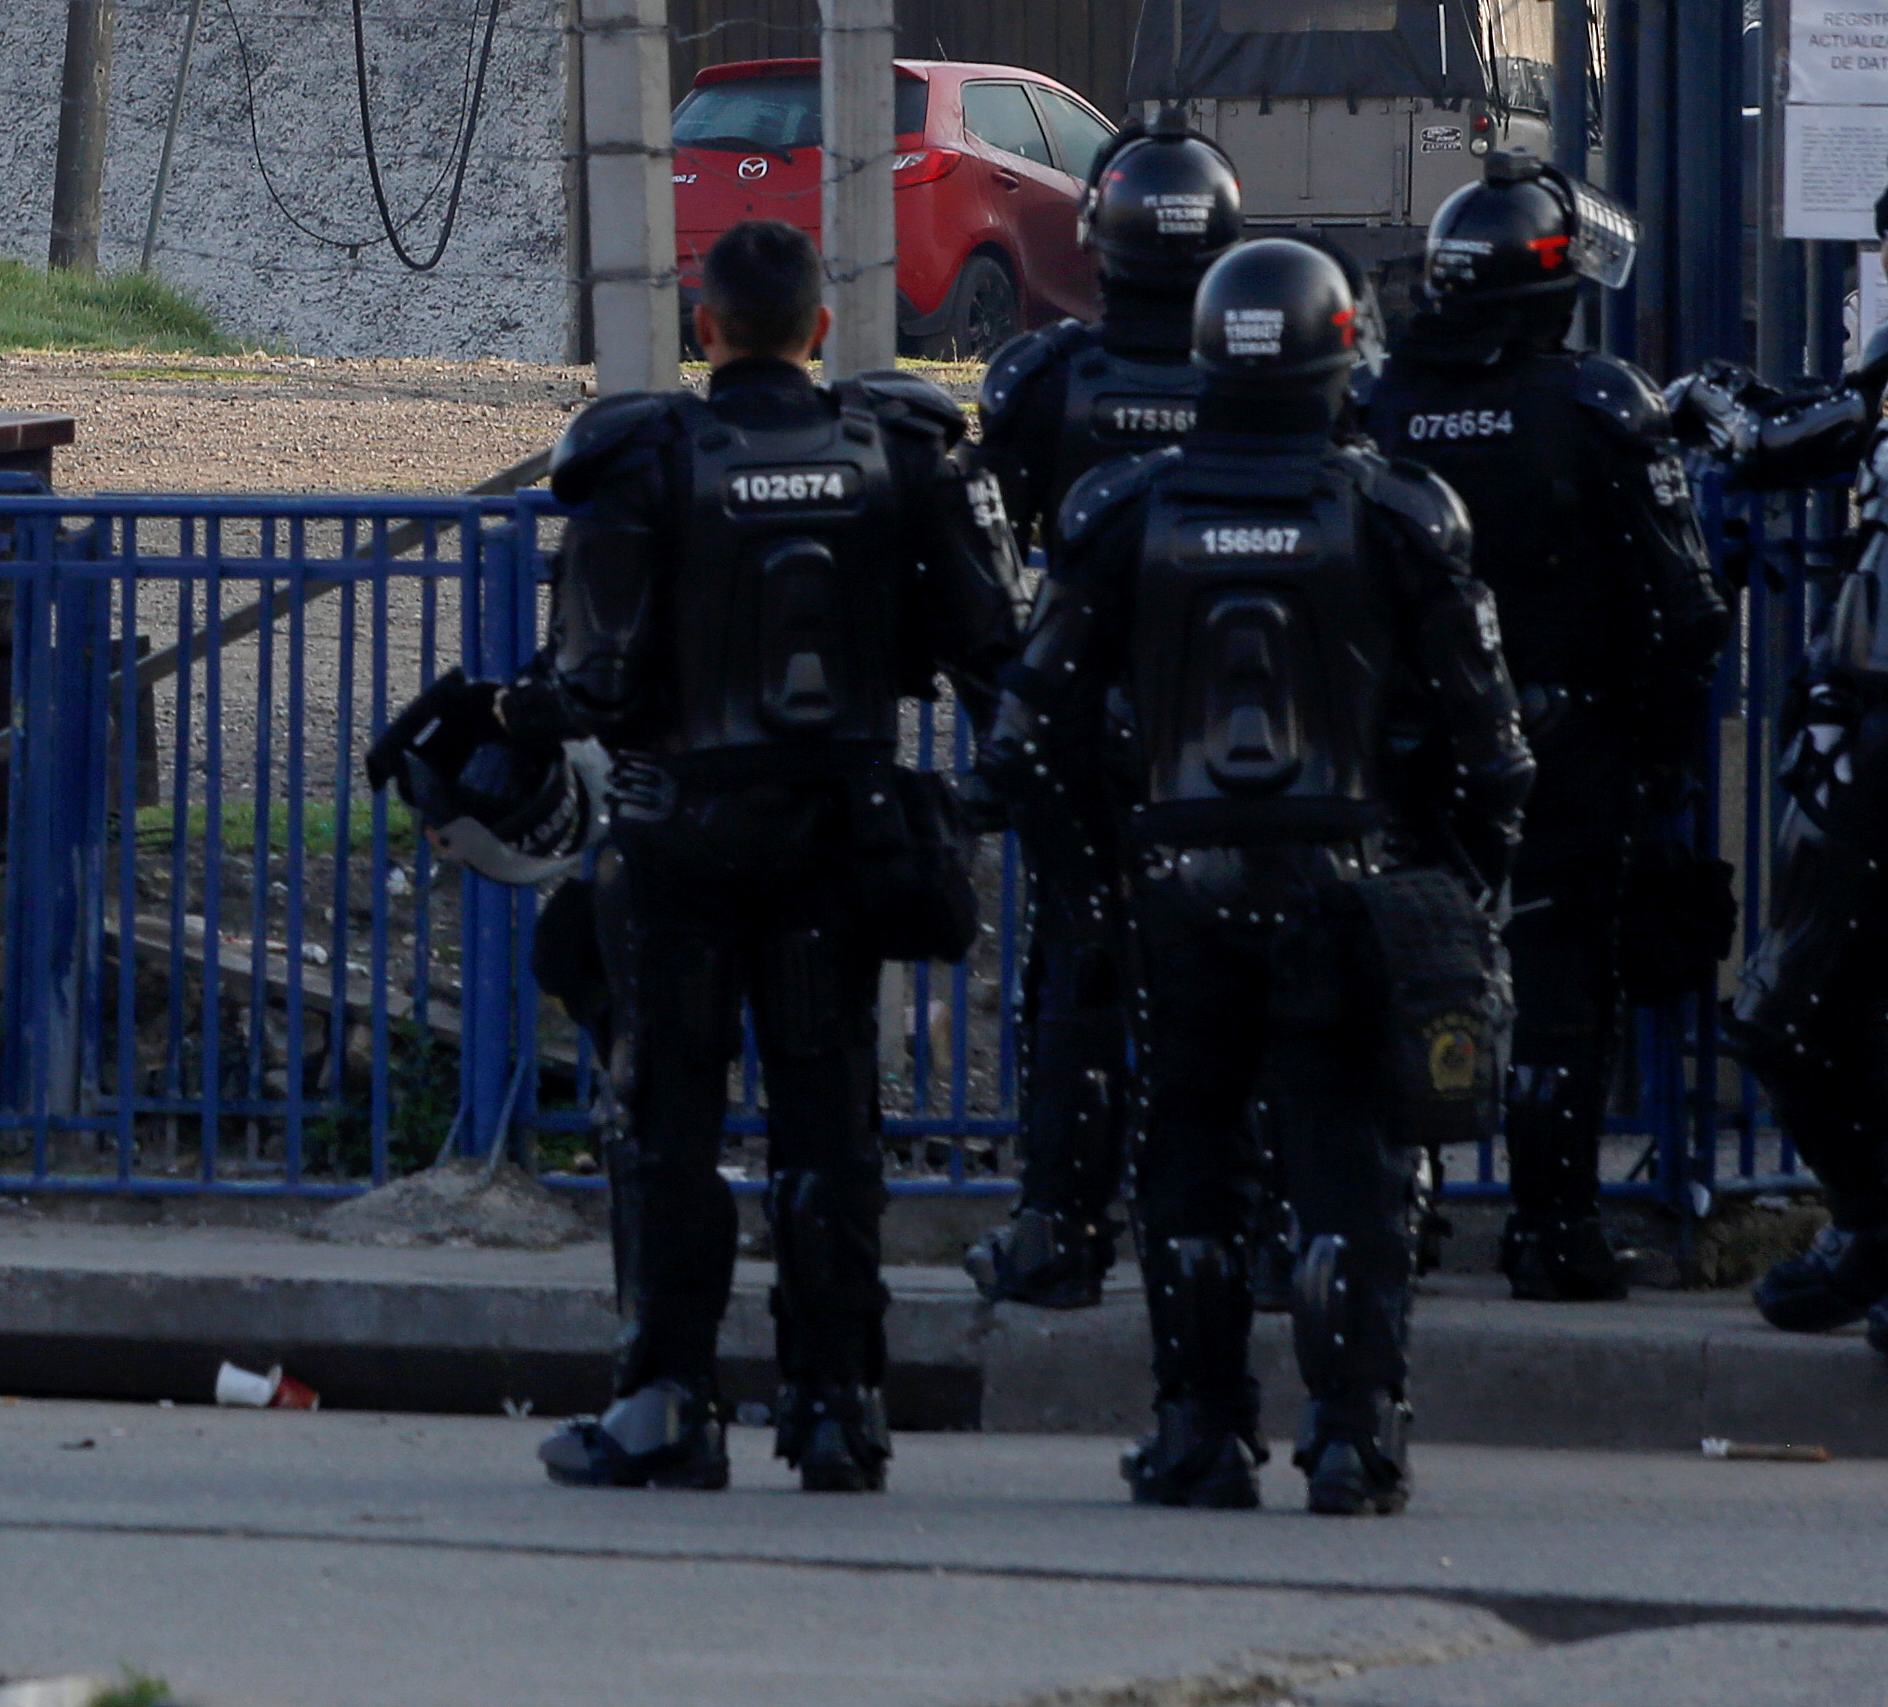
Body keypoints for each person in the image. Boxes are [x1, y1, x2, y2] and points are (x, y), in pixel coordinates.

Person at [1011, 238, 1532, 1518]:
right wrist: (1452, 887)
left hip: (1180, 888)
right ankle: (1353, 1438)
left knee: (1187, 1159)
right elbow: (1492, 748)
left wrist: (1096, 891)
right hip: (1345, 878)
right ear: (1337, 351)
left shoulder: (1124, 509)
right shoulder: (1401, 511)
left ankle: (1198, 1432)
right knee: (1344, 1165)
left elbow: (1029, 739)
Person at [517, 214, 1017, 1495]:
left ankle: (669, 1402)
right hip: (837, 833)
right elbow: (989, 644)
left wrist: (544, 712)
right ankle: (840, 1406)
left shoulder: (643, 459)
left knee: (666, 1124)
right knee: (830, 1120)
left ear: (704, 328)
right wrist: (983, 792)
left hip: (681, 836)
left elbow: (594, 676)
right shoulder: (893, 452)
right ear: (822, 330)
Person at [1355, 161, 1728, 1299]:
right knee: (1562, 987)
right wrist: (1658, 745)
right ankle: (1553, 1226)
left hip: (1408, 746)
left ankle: (1393, 1210)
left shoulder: (1376, 408)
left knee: (1407, 969)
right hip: (1562, 741)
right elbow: (1684, 609)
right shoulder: (1595, 409)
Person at [962, 120, 1248, 1312]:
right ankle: (1253, 1228)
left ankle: (1063, 1223)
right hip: (1240, 740)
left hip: (1078, 727)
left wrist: (1010, 710)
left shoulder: (1045, 380)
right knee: (1248, 984)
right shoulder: (1263, 373)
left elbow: (984, 558)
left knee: (1079, 976)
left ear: (1098, 236)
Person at [1691, 281, 1888, 1344]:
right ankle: (1868, 1224)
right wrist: (1710, 398)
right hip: (1862, 740)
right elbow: (1778, 440)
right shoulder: (1880, 394)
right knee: (1787, 1011)